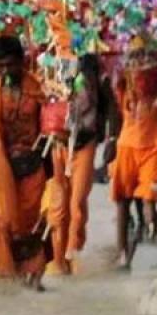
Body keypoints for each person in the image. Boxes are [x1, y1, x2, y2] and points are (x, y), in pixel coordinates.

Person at [0, 35, 49, 291]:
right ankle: (6, 277)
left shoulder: (38, 90)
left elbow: (49, 131)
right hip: (0, 170)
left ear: (22, 61)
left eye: (10, 65)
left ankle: (31, 273)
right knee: (3, 222)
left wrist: (53, 173)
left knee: (28, 224)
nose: (5, 71)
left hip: (31, 169)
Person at [47, 54, 113, 274]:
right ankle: (57, 257)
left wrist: (110, 140)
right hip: (61, 146)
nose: (87, 77)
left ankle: (72, 251)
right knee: (59, 204)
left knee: (76, 203)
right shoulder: (61, 82)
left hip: (85, 145)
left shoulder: (100, 88)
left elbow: (110, 113)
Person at [108, 43, 157, 269]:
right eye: (134, 56)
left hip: (152, 148)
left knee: (149, 204)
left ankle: (153, 222)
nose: (139, 61)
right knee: (122, 203)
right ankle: (123, 253)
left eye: (143, 56)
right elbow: (115, 82)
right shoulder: (124, 85)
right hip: (126, 148)